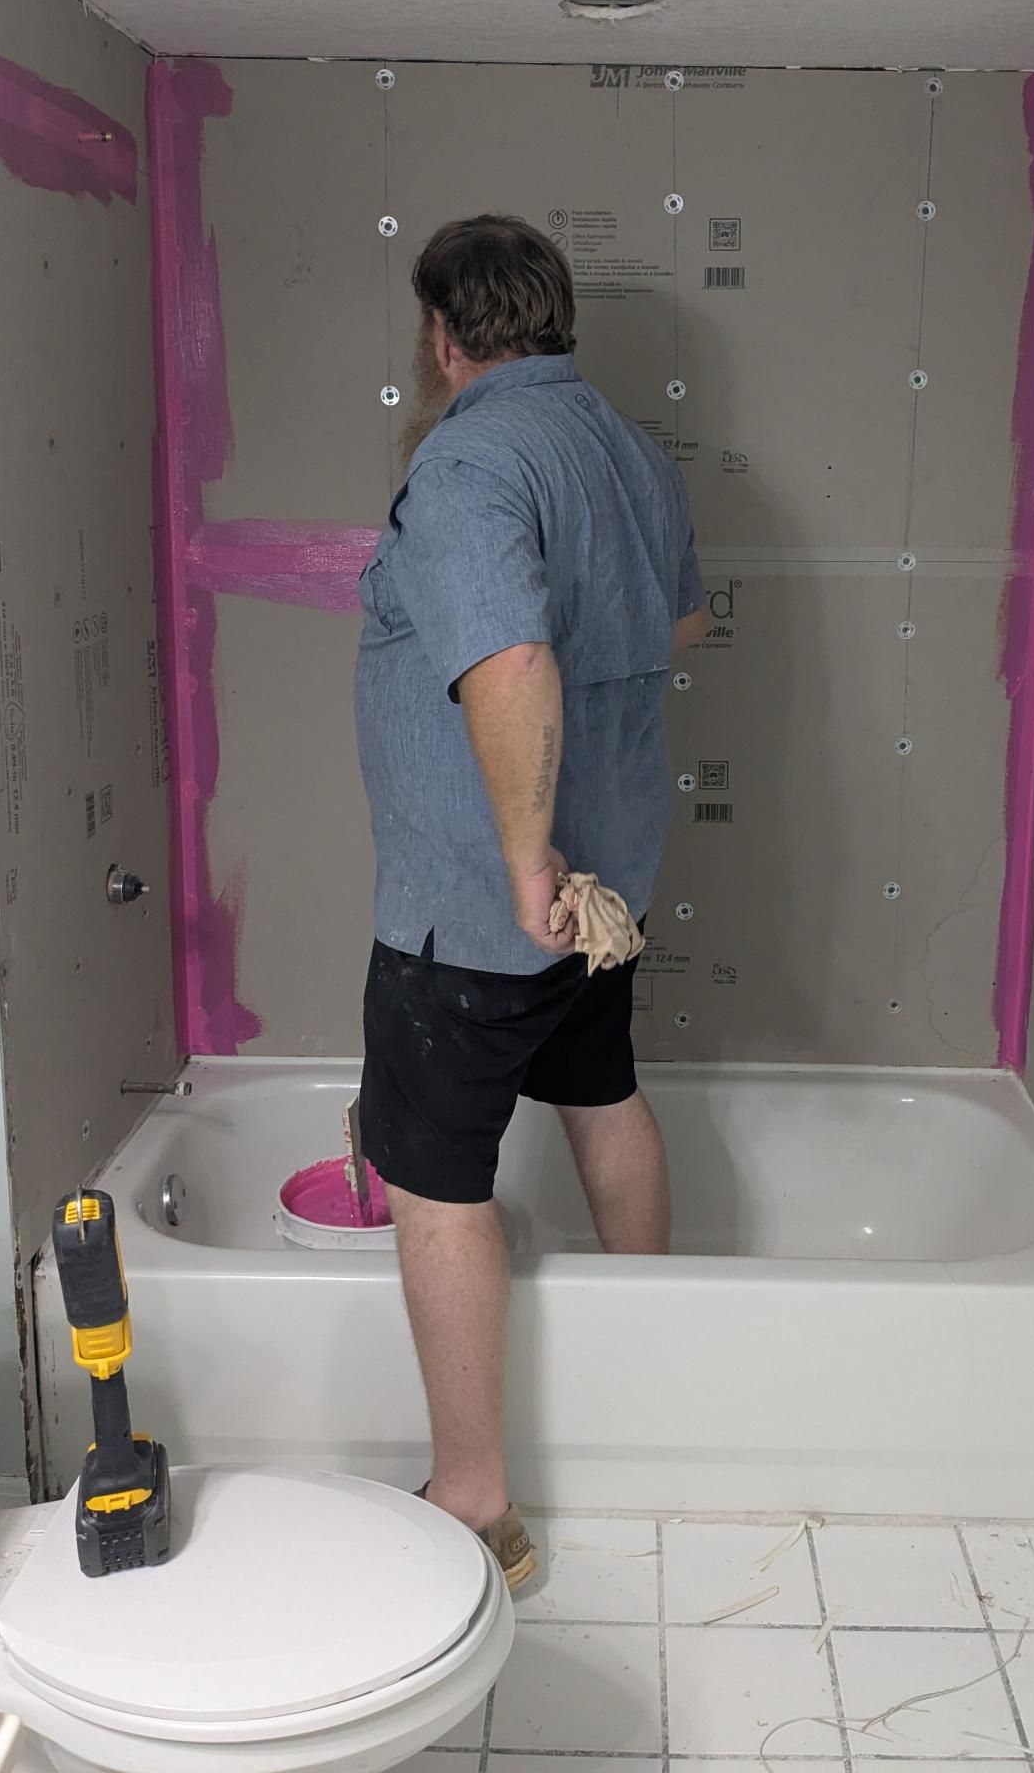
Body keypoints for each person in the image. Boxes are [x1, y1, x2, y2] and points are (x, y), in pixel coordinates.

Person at [354, 214, 707, 1588]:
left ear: (444, 335)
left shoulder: (468, 461)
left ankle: (475, 1502)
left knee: (435, 1179)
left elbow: (509, 664)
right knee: (603, 1096)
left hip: (484, 905)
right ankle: (648, 1396)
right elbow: (680, 623)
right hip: (607, 888)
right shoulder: (627, 450)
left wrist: (521, 865)